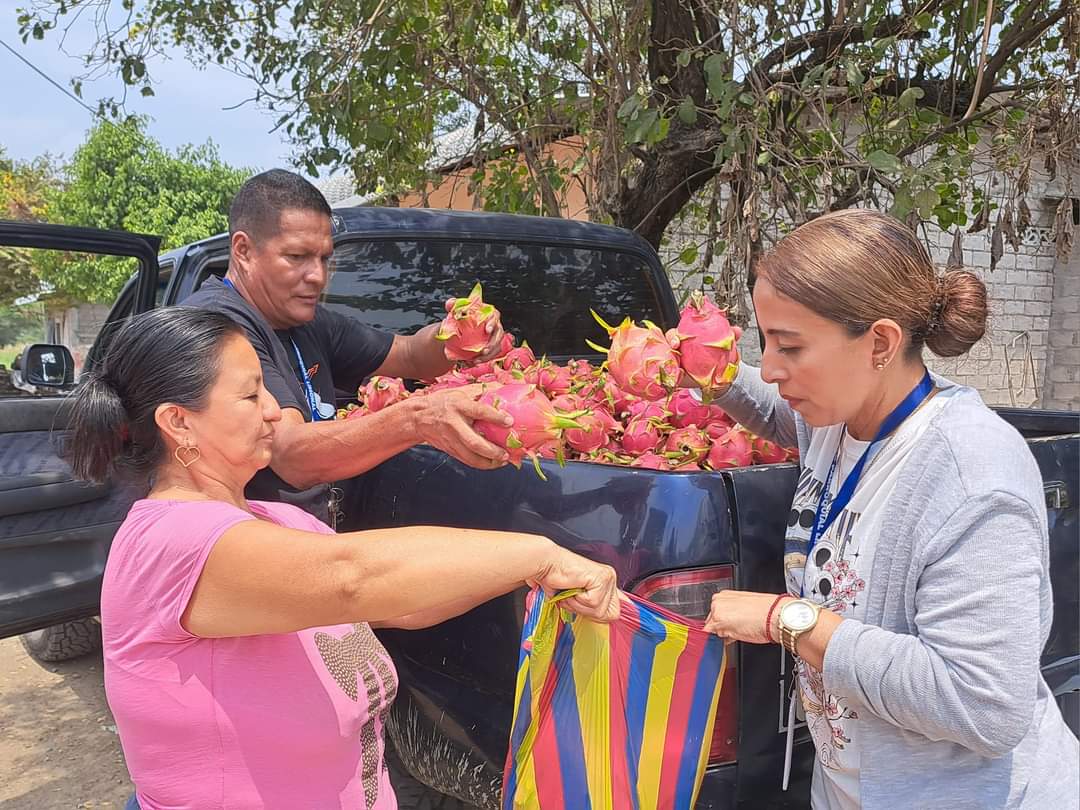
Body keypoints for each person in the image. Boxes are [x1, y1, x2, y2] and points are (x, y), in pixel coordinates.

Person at [65, 306, 619, 810]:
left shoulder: (280, 521)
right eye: (251, 396)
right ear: (178, 422)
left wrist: (529, 578)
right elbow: (351, 577)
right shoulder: (169, 541)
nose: (274, 413)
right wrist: (538, 556)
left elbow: (399, 604)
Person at [698, 209, 1078, 809]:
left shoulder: (972, 475)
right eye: (765, 341)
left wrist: (788, 620)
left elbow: (984, 707)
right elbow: (777, 411)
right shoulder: (840, 416)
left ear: (880, 342)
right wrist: (712, 373)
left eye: (790, 346)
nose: (770, 367)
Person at [184, 169, 512, 523]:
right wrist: (418, 418)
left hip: (310, 536)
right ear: (244, 250)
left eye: (324, 258)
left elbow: (410, 355)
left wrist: (455, 333)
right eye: (296, 256)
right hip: (245, 546)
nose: (318, 276)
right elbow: (289, 455)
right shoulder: (215, 325)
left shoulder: (304, 321)